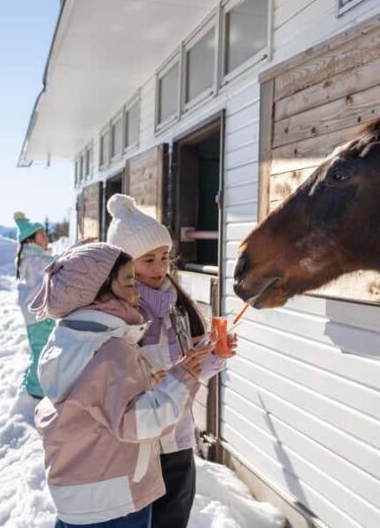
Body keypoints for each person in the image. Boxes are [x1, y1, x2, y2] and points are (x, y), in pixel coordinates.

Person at [30, 243, 212, 528]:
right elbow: (142, 422)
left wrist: (147, 384)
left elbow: (94, 402)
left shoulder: (69, 341)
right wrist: (183, 377)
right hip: (114, 501)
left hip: (77, 498)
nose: (136, 292)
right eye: (129, 282)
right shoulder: (111, 350)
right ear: (97, 294)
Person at [106, 194, 236, 528]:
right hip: (142, 447)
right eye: (148, 260)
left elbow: (187, 374)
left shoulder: (176, 305)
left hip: (178, 439)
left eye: (164, 257)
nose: (161, 267)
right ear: (123, 265)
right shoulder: (122, 316)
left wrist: (213, 356)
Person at [14, 211, 55, 398]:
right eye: (42, 235)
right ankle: (35, 388)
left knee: (39, 347)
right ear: (30, 240)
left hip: (36, 313)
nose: (47, 238)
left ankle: (32, 380)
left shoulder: (31, 258)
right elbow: (57, 263)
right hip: (38, 314)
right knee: (41, 349)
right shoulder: (35, 260)